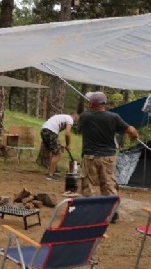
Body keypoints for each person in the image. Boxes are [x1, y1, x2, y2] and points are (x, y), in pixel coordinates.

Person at [79, 91, 138, 223]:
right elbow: (132, 130)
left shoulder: (85, 117)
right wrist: (134, 137)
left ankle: (91, 213)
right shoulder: (114, 117)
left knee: (89, 184)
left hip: (90, 156)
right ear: (104, 104)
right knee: (108, 184)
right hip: (108, 157)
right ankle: (112, 213)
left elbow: (80, 125)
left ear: (91, 103)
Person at [41, 113, 79, 181]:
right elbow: (67, 134)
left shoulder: (63, 117)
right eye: (79, 118)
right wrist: (68, 144)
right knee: (57, 153)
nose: (78, 121)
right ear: (76, 116)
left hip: (44, 131)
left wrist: (60, 145)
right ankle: (50, 175)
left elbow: (54, 136)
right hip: (50, 132)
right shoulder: (70, 119)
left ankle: (51, 172)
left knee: (53, 152)